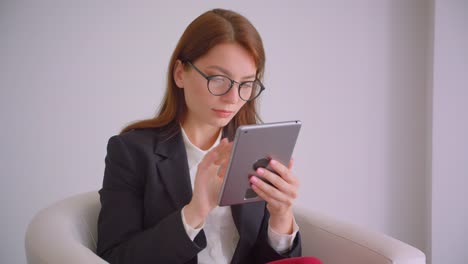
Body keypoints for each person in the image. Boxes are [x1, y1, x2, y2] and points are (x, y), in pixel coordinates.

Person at [97, 8, 302, 264]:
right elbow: (114, 257)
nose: (233, 98)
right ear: (180, 73)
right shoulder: (131, 152)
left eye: (246, 84)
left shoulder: (254, 151)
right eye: (218, 79)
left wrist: (281, 216)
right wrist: (195, 212)